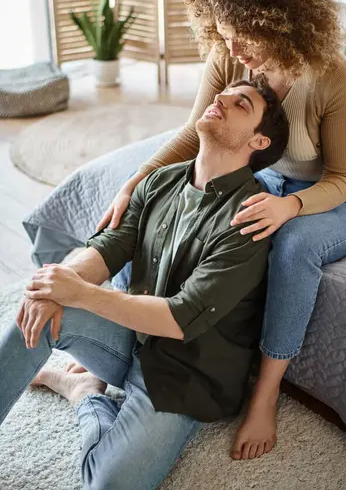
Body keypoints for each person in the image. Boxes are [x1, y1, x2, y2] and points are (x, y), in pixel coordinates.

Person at [97, 0, 346, 461]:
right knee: (177, 200)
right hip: (266, 181)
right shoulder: (229, 55)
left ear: (282, 21)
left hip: (328, 198)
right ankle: (130, 340)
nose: (236, 52)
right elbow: (191, 132)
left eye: (246, 37)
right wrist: (138, 179)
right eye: (225, 36)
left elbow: (343, 177)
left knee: (289, 247)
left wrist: (291, 207)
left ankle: (264, 394)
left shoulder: (333, 77)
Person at [0, 76, 289, 490]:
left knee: (109, 485)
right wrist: (58, 284)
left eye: (241, 104)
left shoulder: (248, 218)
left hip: (186, 377)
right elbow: (107, 249)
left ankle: (83, 393)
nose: (221, 97)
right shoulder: (160, 180)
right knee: (41, 301)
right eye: (224, 91)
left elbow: (180, 319)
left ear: (258, 143)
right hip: (132, 339)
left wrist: (81, 293)